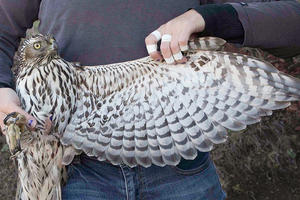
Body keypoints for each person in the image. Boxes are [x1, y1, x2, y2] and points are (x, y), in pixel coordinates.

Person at [0, 0, 299, 199]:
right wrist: (3, 95)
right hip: (68, 168)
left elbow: (291, 19)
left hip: (179, 170)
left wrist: (204, 17)